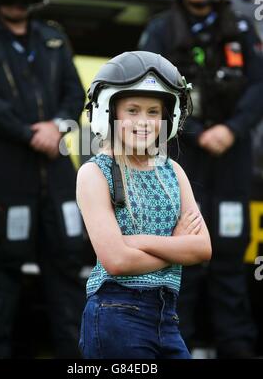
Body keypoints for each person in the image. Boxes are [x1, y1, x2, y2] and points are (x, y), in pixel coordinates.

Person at [139, 0, 263, 358]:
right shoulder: (158, 31)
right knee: (181, 261)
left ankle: (238, 349)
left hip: (230, 161)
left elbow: (259, 87)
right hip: (181, 162)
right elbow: (144, 97)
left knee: (228, 261)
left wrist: (231, 129)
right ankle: (176, 349)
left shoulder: (243, 28)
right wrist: (191, 131)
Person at [0, 0, 86, 358]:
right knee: (1, 274)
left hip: (57, 178)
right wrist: (27, 133)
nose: (17, 3)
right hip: (3, 179)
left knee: (68, 270)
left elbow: (75, 92)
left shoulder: (53, 37)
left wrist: (58, 127)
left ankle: (76, 358)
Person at [76, 51, 212, 359]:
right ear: (108, 114)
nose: (144, 121)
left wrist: (138, 242)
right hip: (115, 314)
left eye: (153, 112)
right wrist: (177, 247)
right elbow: (117, 262)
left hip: (168, 317)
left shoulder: (173, 172)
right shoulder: (95, 173)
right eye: (132, 110)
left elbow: (202, 248)